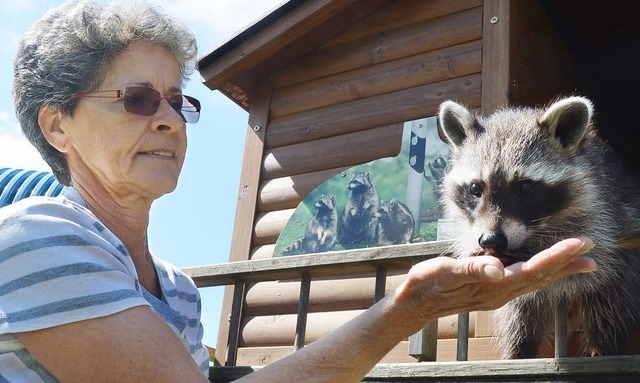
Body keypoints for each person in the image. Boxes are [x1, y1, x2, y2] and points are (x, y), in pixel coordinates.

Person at [0, 0, 597, 382]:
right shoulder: (37, 235)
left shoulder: (176, 290)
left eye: (178, 101)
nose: (170, 120)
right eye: (137, 99)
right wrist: (405, 312)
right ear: (58, 126)